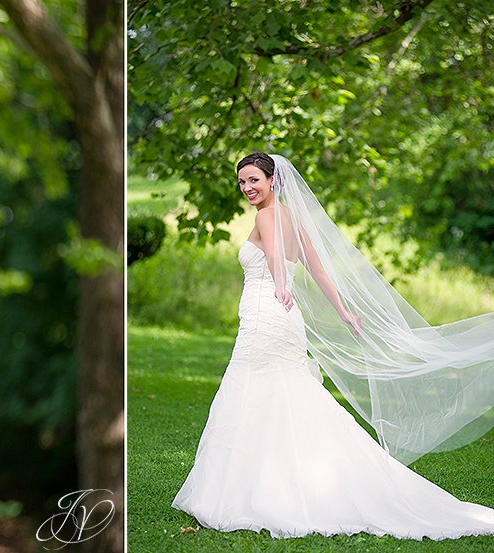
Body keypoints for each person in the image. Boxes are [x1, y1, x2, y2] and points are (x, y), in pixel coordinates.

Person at [171, 152, 494, 539]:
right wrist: (344, 312)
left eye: (254, 180)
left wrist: (278, 284)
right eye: (242, 182)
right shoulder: (292, 216)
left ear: (273, 180)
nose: (247, 188)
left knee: (252, 390)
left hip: (267, 313)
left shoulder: (266, 216)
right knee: (284, 391)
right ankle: (294, 479)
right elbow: (317, 268)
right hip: (285, 318)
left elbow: (276, 256)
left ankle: (254, 489)